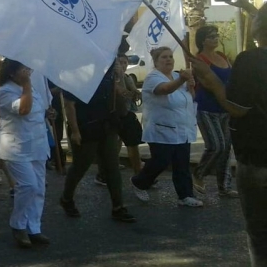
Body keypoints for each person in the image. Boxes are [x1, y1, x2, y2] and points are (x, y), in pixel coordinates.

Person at [60, 40, 136, 223]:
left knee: (111, 166)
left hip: (107, 123)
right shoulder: (74, 71)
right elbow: (69, 105)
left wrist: (119, 79)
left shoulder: (107, 67)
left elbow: (116, 92)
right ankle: (66, 198)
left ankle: (118, 206)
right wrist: (75, 131)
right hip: (86, 125)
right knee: (81, 165)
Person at [130, 47, 203, 207]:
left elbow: (189, 99)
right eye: (164, 57)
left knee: (182, 162)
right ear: (156, 61)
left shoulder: (178, 75)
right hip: (161, 128)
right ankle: (139, 182)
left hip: (182, 128)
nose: (168, 59)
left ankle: (185, 195)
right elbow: (164, 89)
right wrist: (182, 80)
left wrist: (190, 86)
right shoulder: (153, 78)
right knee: (162, 160)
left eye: (170, 56)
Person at [223, 4, 267, 266]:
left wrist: (212, 82)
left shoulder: (250, 60)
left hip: (257, 158)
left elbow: (237, 109)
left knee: (260, 235)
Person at [0, 60, 50, 248]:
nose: (28, 71)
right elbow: (24, 110)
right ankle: (18, 225)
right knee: (28, 185)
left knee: (39, 189)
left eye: (28, 68)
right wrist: (27, 85)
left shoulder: (32, 88)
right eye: (23, 69)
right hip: (16, 147)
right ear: (12, 73)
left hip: (37, 145)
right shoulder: (6, 91)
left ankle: (34, 228)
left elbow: (37, 110)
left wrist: (48, 113)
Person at [192, 25, 237, 197]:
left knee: (226, 147)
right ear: (203, 40)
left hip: (225, 108)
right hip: (207, 108)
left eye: (216, 35)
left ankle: (224, 186)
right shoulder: (199, 60)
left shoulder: (222, 56)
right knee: (216, 145)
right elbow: (207, 83)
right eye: (211, 36)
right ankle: (198, 174)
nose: (215, 38)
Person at [96, 53, 145, 185]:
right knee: (110, 147)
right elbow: (120, 91)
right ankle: (103, 174)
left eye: (125, 63)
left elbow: (134, 92)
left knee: (133, 144)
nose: (122, 65)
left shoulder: (127, 77)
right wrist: (120, 82)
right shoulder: (107, 79)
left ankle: (138, 176)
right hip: (111, 116)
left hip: (126, 114)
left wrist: (136, 93)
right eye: (120, 63)